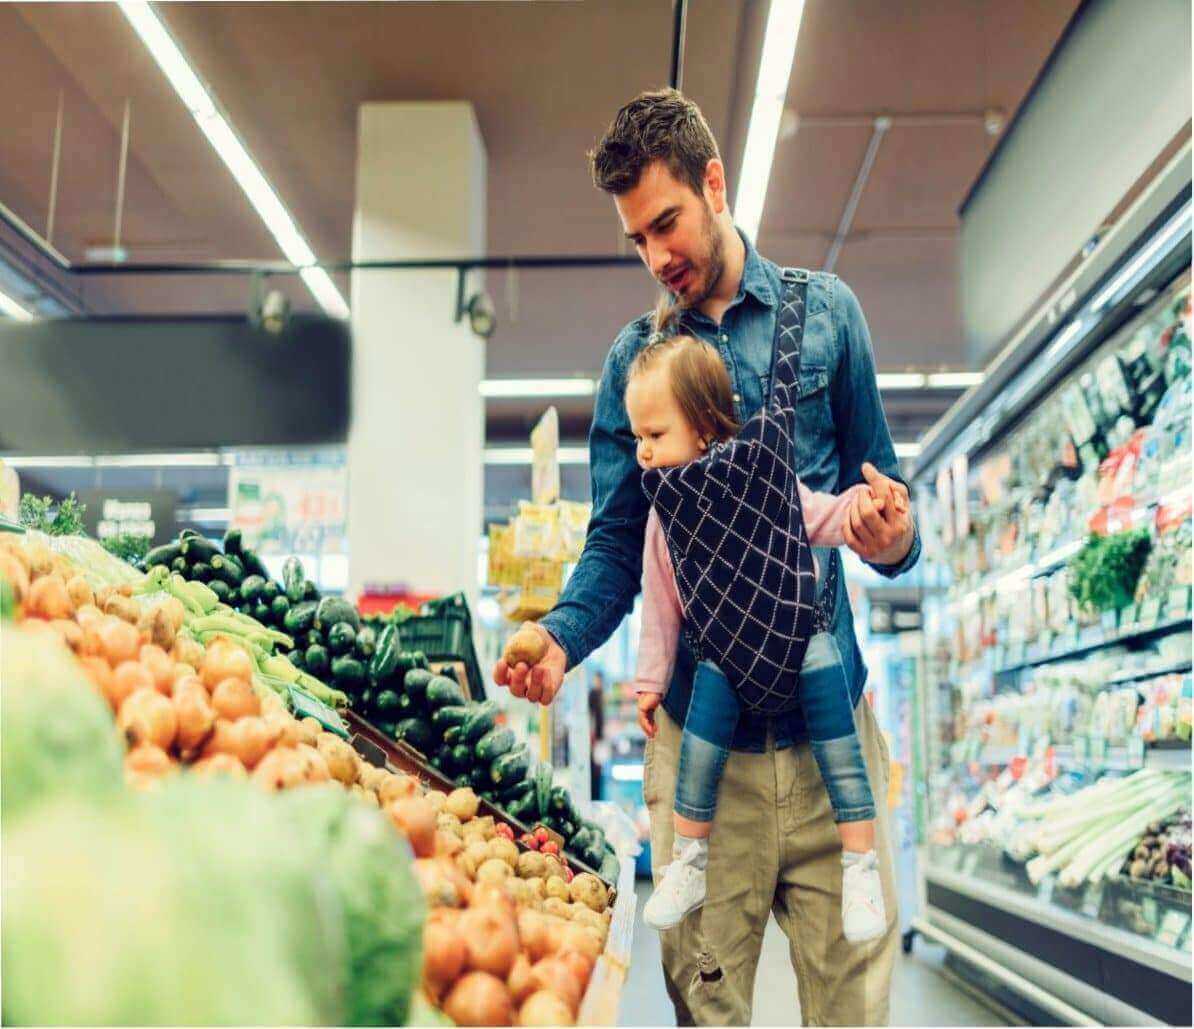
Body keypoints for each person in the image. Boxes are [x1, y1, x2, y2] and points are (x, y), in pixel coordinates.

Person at [494, 89, 919, 1026]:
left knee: (855, 1010)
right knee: (710, 1011)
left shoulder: (830, 316)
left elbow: (879, 494)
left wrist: (896, 536)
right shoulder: (632, 363)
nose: (657, 257)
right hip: (701, 757)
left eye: (667, 223)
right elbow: (616, 541)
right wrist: (562, 640)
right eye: (637, 239)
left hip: (828, 742)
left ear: (713, 183)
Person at [624, 316, 892, 943]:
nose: (642, 450)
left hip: (803, 642)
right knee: (698, 747)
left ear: (705, 425)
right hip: (723, 660)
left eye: (655, 433)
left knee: (839, 743)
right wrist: (649, 682)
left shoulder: (764, 475)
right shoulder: (666, 516)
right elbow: (660, 606)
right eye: (638, 436)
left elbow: (820, 515)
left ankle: (860, 868)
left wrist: (864, 507)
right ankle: (689, 862)